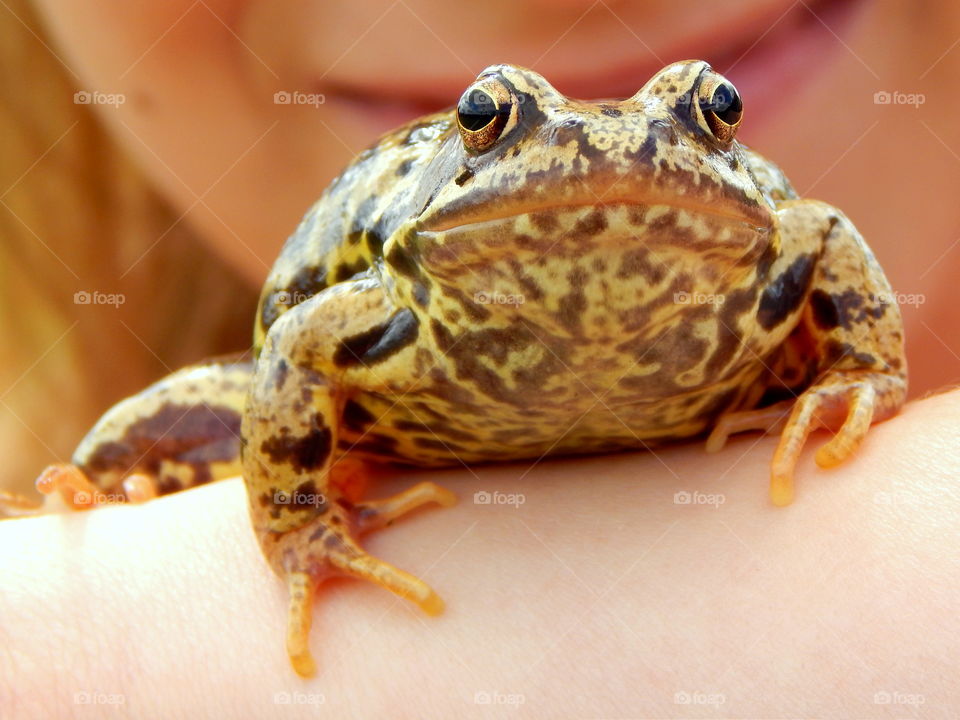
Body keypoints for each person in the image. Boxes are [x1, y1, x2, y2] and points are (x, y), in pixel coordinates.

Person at [1, 0, 958, 716]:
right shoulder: (380, 305)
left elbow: (818, 233)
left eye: (709, 114)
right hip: (380, 412)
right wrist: (295, 525)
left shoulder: (781, 255)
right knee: (154, 433)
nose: (606, 163)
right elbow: (298, 343)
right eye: (494, 119)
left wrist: (861, 369)